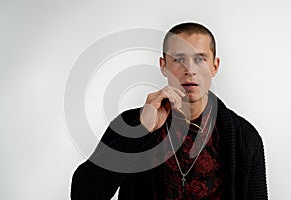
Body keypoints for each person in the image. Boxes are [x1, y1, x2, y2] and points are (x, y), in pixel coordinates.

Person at [70, 22, 268, 200]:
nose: (189, 70)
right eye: (179, 59)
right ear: (163, 66)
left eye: (200, 59)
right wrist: (141, 130)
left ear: (214, 66)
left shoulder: (245, 137)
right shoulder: (131, 123)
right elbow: (82, 194)